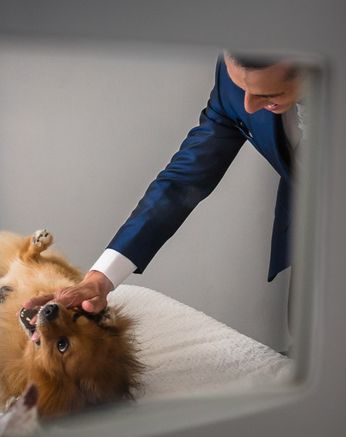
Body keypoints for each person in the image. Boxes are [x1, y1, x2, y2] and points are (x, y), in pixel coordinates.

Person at [55, 51, 307, 315]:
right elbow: (181, 182)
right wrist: (100, 279)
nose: (248, 106)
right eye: (241, 87)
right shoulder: (233, 83)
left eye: (268, 95)